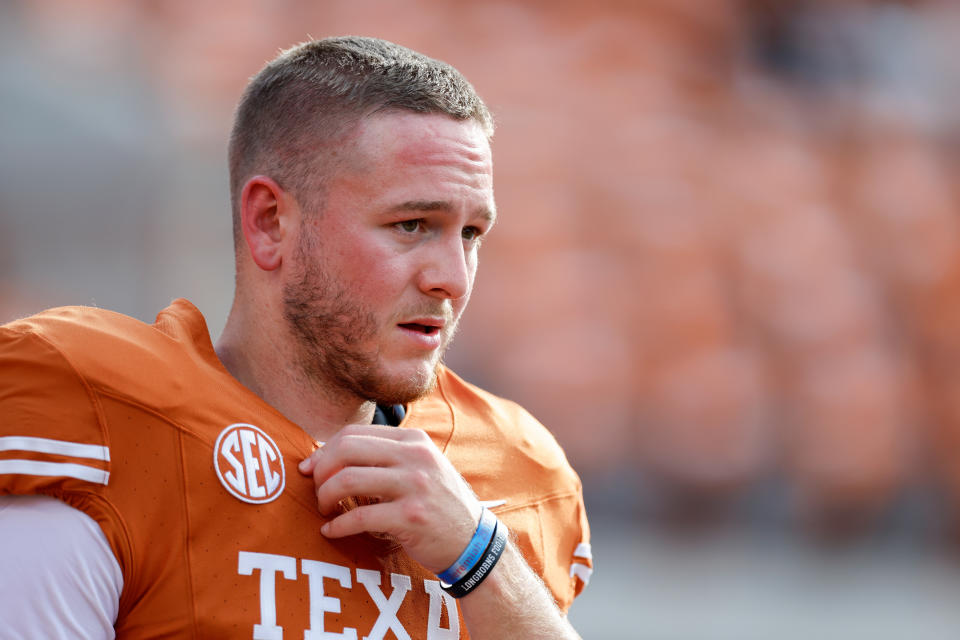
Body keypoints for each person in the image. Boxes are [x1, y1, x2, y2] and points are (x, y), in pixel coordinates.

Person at [0, 36, 591, 638]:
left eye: (470, 234)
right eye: (411, 224)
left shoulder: (509, 474)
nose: (452, 279)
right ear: (270, 222)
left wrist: (480, 558)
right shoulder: (101, 427)